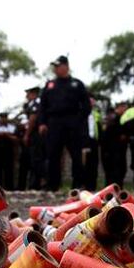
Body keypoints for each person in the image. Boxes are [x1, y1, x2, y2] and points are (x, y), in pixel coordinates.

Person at [39, 55, 89, 190]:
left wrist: (79, 120)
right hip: (54, 123)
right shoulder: (50, 85)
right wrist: (42, 123)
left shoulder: (77, 84)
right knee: (53, 154)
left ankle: (78, 185)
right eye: (54, 67)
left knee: (76, 155)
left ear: (66, 67)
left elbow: (86, 105)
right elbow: (42, 105)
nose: (55, 69)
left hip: (72, 122)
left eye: (58, 66)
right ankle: (53, 185)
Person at [17, 87, 45, 190]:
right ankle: (29, 184)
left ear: (33, 93)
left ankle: (36, 184)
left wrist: (27, 135)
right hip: (32, 134)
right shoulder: (28, 105)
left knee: (35, 159)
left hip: (35, 135)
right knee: (30, 159)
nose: (26, 96)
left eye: (28, 93)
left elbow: (32, 120)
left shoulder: (36, 104)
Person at [100, 103, 127, 187]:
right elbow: (108, 136)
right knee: (114, 172)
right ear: (119, 108)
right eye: (124, 108)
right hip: (112, 151)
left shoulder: (120, 119)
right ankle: (113, 190)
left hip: (116, 150)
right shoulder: (115, 118)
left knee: (119, 170)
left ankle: (115, 189)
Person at [0, 111, 17, 189]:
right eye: (2, 118)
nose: (3, 120)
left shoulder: (12, 127)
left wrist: (7, 135)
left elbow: (16, 138)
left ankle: (9, 187)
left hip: (8, 151)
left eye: (5, 118)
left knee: (9, 169)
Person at [81, 96, 101, 189]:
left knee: (93, 163)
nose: (92, 102)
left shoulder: (96, 114)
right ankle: (83, 185)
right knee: (84, 163)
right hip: (84, 140)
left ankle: (92, 186)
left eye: (93, 100)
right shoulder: (81, 113)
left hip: (94, 141)